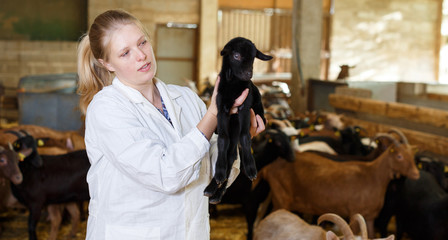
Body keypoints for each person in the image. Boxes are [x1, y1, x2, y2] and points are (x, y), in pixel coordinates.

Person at [76, 9, 265, 240]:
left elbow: (211, 173)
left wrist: (238, 134)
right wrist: (213, 114)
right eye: (125, 53)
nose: (141, 55)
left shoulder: (185, 98)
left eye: (142, 43)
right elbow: (166, 175)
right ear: (106, 63)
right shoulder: (106, 109)